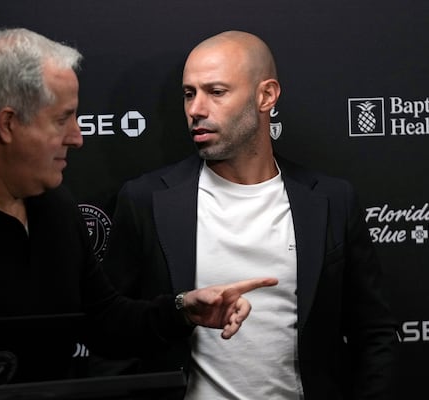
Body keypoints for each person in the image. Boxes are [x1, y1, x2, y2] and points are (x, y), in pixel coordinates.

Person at [0, 28, 278, 399]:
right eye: (63, 118)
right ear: (8, 125)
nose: (78, 137)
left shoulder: (56, 210)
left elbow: (105, 321)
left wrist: (182, 310)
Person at [103, 30, 398, 400]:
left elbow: (374, 334)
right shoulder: (146, 200)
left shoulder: (331, 200)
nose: (196, 109)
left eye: (216, 92)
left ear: (266, 95)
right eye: (189, 93)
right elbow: (111, 333)